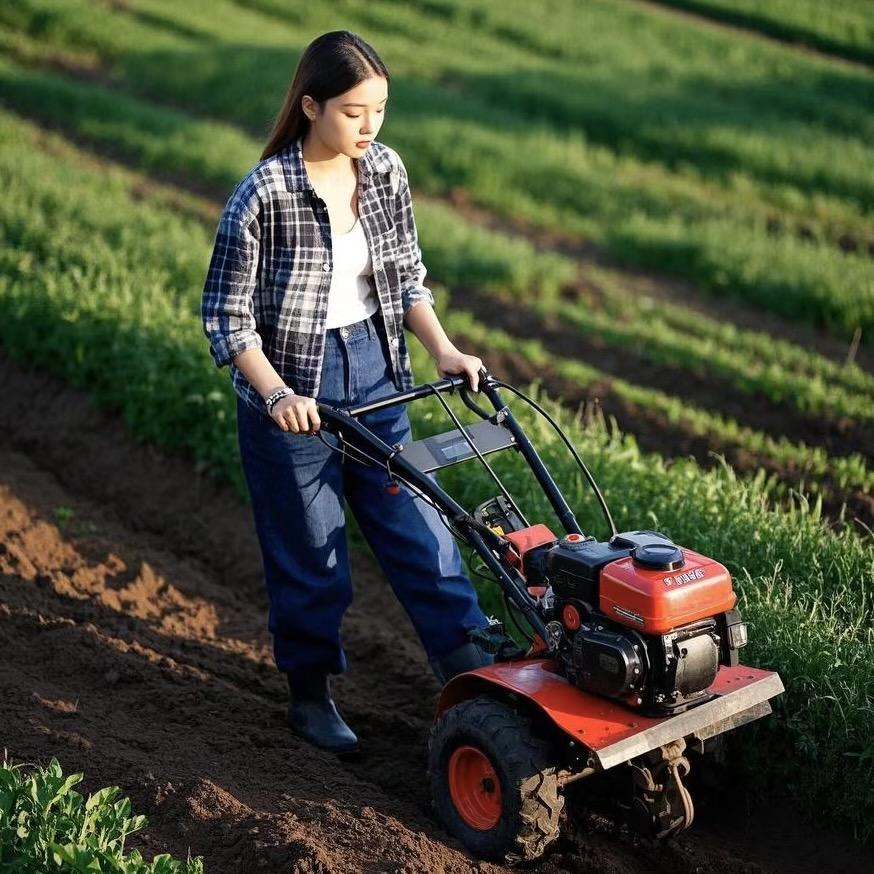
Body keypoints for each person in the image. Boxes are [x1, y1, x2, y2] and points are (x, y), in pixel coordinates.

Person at [201, 31, 494, 754]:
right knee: (312, 551)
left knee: (420, 523)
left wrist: (445, 349)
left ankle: (469, 666)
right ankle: (311, 696)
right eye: (355, 112)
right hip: (289, 393)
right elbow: (227, 321)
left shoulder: (386, 171)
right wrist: (276, 397)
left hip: (376, 369)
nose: (371, 128)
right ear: (310, 105)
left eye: (381, 110)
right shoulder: (263, 193)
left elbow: (404, 279)